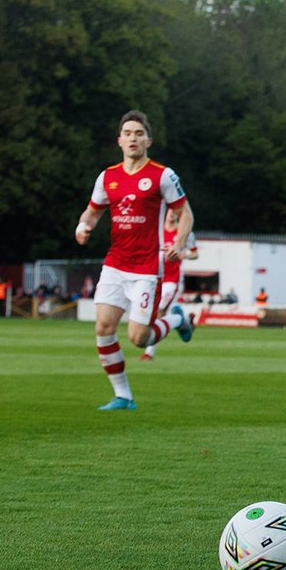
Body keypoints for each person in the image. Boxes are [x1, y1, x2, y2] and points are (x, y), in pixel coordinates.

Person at [76, 110, 195, 410]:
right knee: (103, 328)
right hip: (116, 264)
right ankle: (123, 396)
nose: (133, 138)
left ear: (148, 141)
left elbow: (186, 214)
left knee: (139, 339)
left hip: (146, 269)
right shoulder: (108, 177)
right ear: (119, 140)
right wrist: (83, 226)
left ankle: (178, 318)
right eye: (127, 133)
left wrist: (179, 243)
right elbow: (93, 211)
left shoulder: (162, 175)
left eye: (138, 134)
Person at [141, 207, 198, 361]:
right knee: (160, 312)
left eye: (175, 212)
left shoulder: (183, 234)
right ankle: (184, 321)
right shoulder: (157, 231)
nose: (172, 214)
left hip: (172, 281)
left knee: (159, 311)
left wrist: (182, 254)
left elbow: (195, 253)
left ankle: (149, 352)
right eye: (170, 211)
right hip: (155, 278)